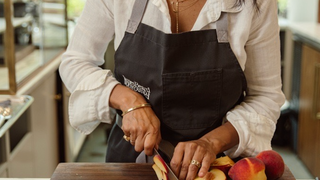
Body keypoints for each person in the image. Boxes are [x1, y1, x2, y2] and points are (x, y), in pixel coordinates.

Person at [59, 0, 285, 179]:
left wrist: (210, 143)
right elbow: (75, 62)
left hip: (215, 167)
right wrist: (129, 101)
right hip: (132, 161)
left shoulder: (255, 3)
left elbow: (266, 95)